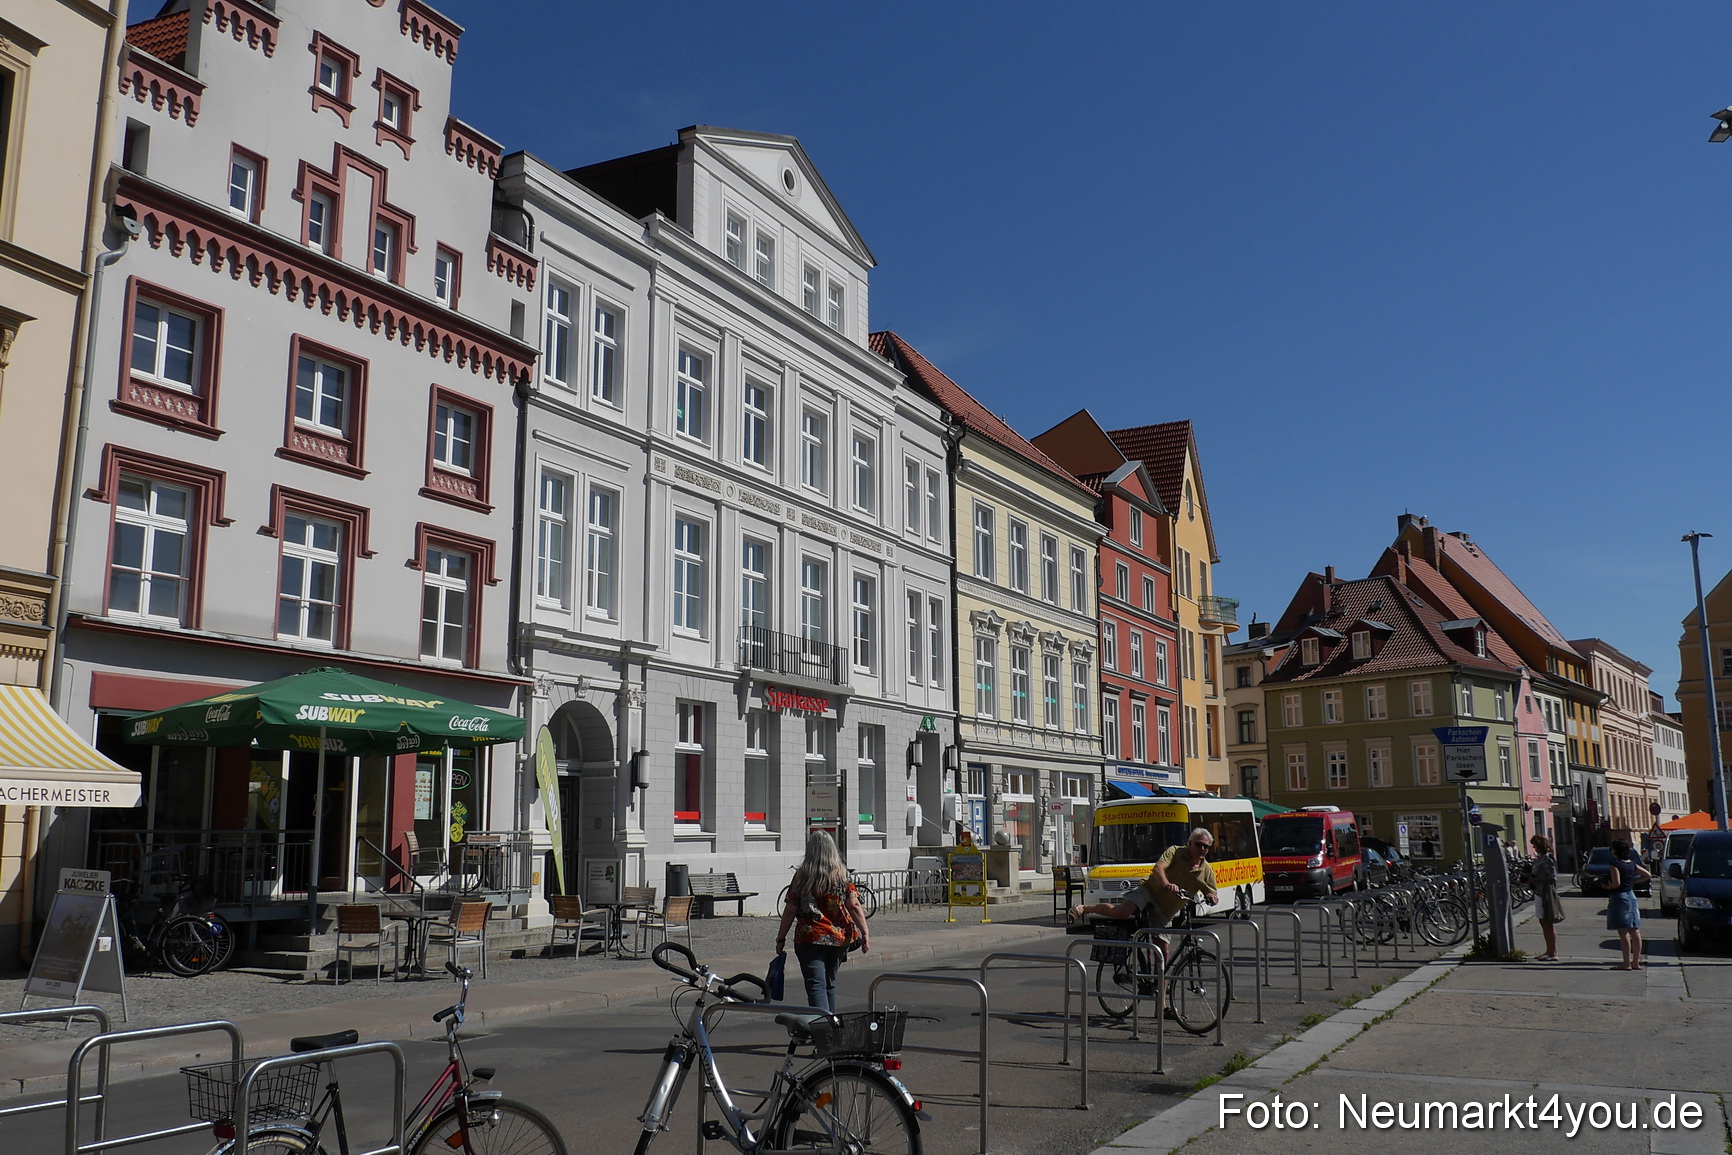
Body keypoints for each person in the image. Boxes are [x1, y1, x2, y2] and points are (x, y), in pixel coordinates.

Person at [1067, 827, 1219, 963]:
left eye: (1206, 846)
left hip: (1165, 911)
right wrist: (1166, 884)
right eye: (1198, 844)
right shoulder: (1175, 852)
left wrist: (1212, 897)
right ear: (1190, 843)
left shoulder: (1206, 871)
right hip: (1149, 890)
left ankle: (1161, 992)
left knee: (1163, 953)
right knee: (1122, 912)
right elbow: (1158, 868)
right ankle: (1085, 909)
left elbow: (1212, 891)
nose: (1202, 849)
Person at [774, 830, 870, 1013]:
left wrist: (781, 939)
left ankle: (823, 1030)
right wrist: (865, 932)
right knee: (829, 984)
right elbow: (854, 905)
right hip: (838, 939)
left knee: (816, 986)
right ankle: (829, 1028)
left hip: (810, 937)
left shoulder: (802, 876)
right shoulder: (842, 875)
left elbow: (790, 910)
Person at [1604, 838, 1650, 970]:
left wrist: (1605, 886)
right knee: (1635, 929)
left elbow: (1616, 883)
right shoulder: (1631, 863)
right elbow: (1647, 875)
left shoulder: (1615, 864)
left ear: (1615, 851)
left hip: (1619, 897)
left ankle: (1626, 963)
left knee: (1623, 931)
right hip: (1631, 895)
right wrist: (1633, 882)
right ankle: (1636, 962)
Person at [1529, 834, 1564, 960]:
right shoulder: (1540, 858)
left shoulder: (1548, 859)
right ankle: (1548, 950)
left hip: (1545, 892)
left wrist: (1535, 879)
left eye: (1534, 845)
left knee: (1548, 921)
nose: (1533, 847)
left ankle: (1553, 952)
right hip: (1539, 892)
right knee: (1543, 921)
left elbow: (1552, 878)